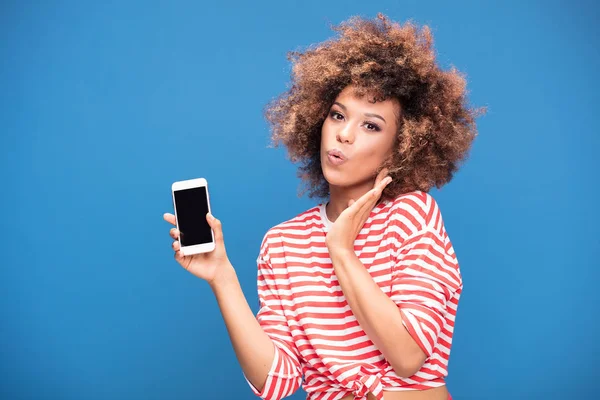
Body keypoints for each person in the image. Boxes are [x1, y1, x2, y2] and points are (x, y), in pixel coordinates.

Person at [163, 13, 482, 400]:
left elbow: (408, 355)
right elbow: (277, 382)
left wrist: (341, 250)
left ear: (403, 146)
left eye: (371, 125)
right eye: (337, 115)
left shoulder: (412, 216)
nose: (344, 134)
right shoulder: (283, 243)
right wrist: (222, 277)